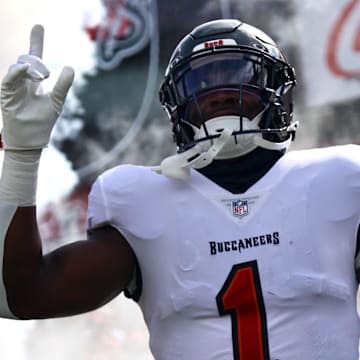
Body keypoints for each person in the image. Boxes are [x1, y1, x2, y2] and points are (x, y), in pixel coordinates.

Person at [0, 18, 359, 360]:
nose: (219, 93)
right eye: (201, 83)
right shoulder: (141, 202)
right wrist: (22, 152)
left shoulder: (342, 180)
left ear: (280, 96)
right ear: (176, 107)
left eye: (236, 75)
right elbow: (19, 297)